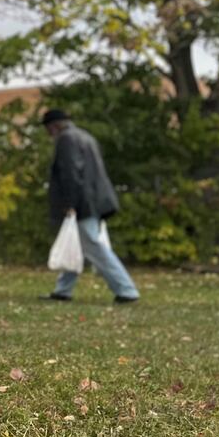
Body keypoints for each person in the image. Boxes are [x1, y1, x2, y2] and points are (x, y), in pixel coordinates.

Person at [41, 109, 139, 304]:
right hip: (96, 199)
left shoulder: (66, 139)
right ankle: (63, 289)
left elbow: (71, 174)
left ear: (54, 126)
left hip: (83, 202)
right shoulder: (86, 137)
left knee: (93, 246)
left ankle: (126, 289)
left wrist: (70, 204)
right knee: (76, 243)